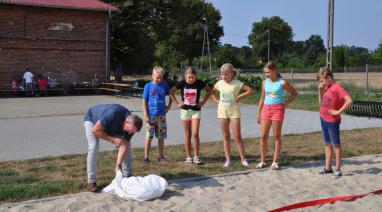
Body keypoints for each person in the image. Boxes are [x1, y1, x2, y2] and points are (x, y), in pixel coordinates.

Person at [84, 104, 143, 192]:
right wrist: (113, 140)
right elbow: (95, 130)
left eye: (133, 132)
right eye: (130, 130)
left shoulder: (133, 127)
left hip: (111, 126)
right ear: (126, 122)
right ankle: (91, 182)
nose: (130, 133)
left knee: (127, 144)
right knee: (93, 147)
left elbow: (124, 145)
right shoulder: (113, 113)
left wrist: (118, 165)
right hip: (92, 119)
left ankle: (127, 175)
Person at [256, 62, 297, 170]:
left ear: (275, 71)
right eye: (265, 72)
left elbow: (294, 93)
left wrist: (285, 104)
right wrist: (258, 113)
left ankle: (275, 162)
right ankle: (263, 161)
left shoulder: (282, 83)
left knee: (276, 135)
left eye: (268, 72)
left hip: (277, 109)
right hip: (266, 109)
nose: (266, 74)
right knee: (263, 136)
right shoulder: (264, 82)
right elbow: (262, 98)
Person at [211, 63, 254, 168]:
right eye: (222, 74)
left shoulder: (237, 83)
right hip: (222, 112)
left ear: (231, 73)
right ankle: (228, 160)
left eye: (226, 74)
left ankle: (243, 159)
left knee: (237, 136)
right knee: (226, 136)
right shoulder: (219, 83)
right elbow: (212, 92)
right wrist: (216, 100)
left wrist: (240, 96)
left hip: (234, 112)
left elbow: (250, 90)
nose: (224, 76)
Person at [169, 67, 211, 164]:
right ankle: (188, 157)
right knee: (188, 134)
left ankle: (196, 156)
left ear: (196, 76)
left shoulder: (200, 83)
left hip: (196, 110)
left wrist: (203, 102)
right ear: (185, 76)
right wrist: (177, 104)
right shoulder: (182, 83)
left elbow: (209, 91)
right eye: (189, 77)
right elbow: (171, 92)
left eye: (192, 77)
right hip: (185, 111)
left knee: (195, 133)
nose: (190, 79)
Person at [316, 67, 352, 178]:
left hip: (332, 121)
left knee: (336, 145)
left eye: (322, 80)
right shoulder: (326, 88)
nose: (321, 83)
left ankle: (338, 169)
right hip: (323, 118)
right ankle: (328, 168)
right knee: (327, 144)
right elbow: (321, 103)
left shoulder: (336, 87)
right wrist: (320, 91)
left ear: (329, 78)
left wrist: (338, 111)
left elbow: (349, 100)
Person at [142, 66, 172, 164]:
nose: (159, 79)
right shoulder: (148, 86)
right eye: (157, 77)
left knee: (161, 137)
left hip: (161, 116)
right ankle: (146, 157)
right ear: (152, 76)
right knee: (149, 137)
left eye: (161, 78)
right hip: (151, 116)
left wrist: (169, 106)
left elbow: (171, 94)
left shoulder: (165, 86)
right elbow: (144, 101)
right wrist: (146, 114)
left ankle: (161, 156)